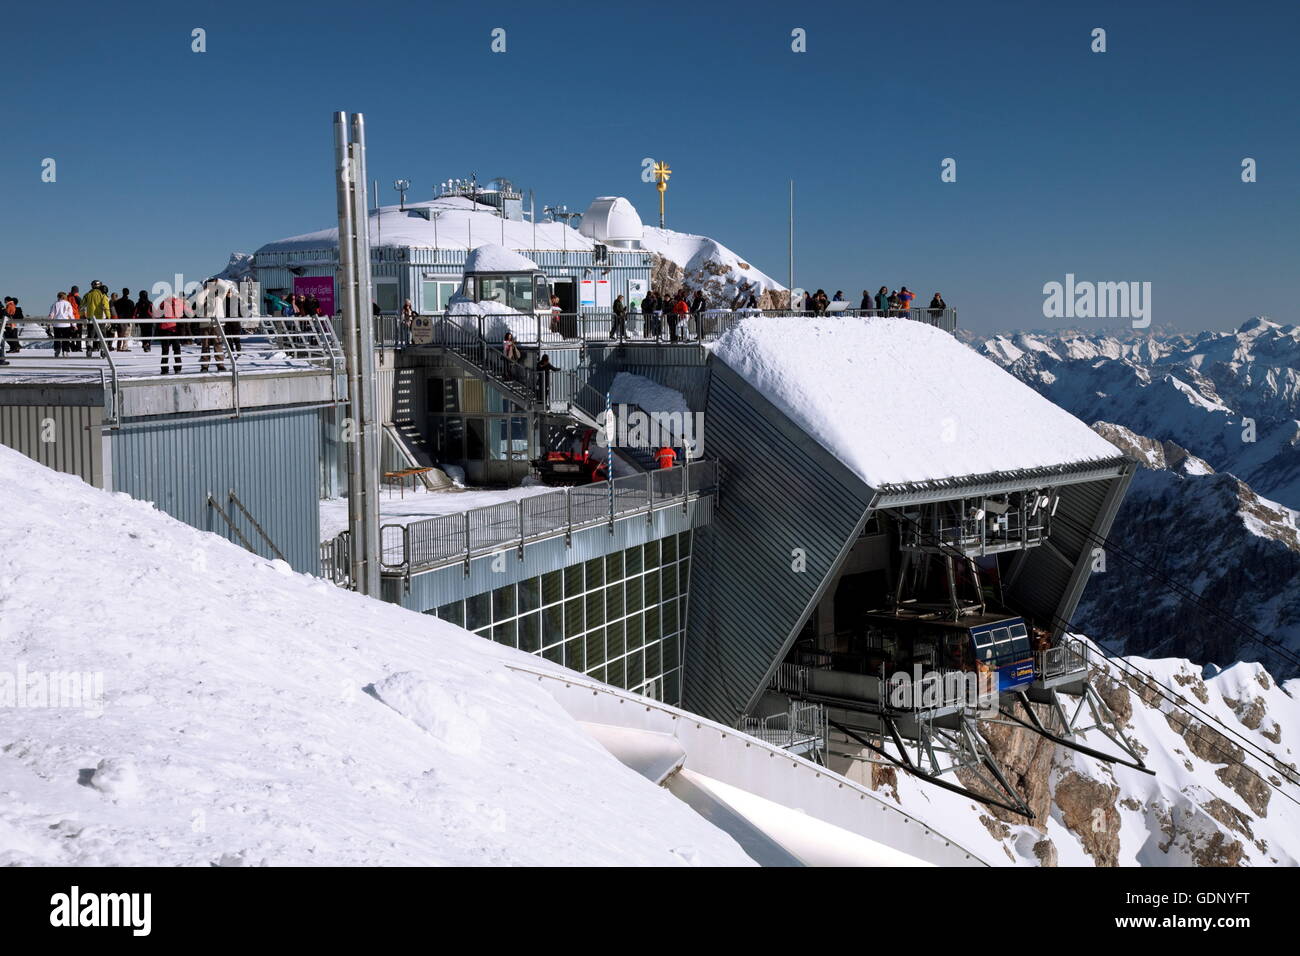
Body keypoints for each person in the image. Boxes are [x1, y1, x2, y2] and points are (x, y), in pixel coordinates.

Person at [81, 281, 112, 357]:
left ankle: (89, 348)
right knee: (102, 334)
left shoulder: (87, 294)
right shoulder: (103, 294)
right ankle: (103, 349)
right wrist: (109, 317)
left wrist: (82, 315)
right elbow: (106, 307)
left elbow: (81, 307)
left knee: (90, 334)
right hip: (101, 319)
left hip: (90, 318)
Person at [157, 291, 184, 374]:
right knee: (177, 349)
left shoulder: (164, 302)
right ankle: (178, 368)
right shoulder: (179, 302)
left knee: (165, 350)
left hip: (164, 328)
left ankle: (164, 369)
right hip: (174, 328)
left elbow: (159, 309)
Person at [48, 292, 75, 357]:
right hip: (66, 324)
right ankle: (65, 351)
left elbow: (51, 314)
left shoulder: (55, 304)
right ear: (65, 297)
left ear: (58, 297)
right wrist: (74, 324)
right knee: (66, 338)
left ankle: (57, 349)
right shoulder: (68, 304)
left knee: (57, 338)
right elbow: (71, 315)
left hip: (57, 324)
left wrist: (49, 323)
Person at [114, 288, 135, 352]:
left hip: (119, 320)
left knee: (120, 335)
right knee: (126, 334)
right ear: (128, 293)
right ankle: (124, 347)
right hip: (127, 320)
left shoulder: (117, 302)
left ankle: (118, 347)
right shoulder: (130, 302)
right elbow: (133, 311)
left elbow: (115, 311)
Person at [67, 285, 82, 351]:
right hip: (77, 318)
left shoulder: (67, 297)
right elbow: (82, 307)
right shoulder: (77, 297)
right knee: (78, 334)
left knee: (71, 334)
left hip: (69, 319)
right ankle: (78, 347)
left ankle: (72, 346)